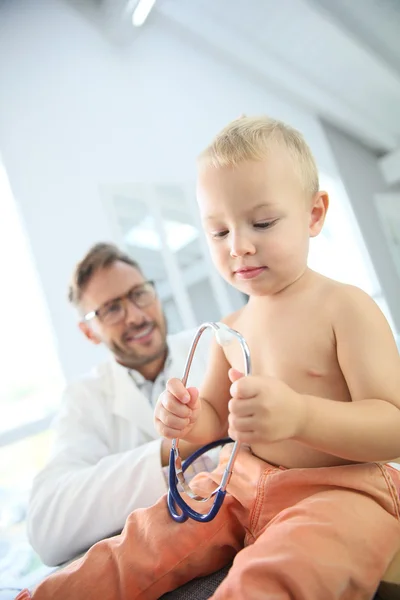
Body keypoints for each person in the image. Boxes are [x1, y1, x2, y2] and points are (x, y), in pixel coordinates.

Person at [17, 115, 400, 600]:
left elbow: (393, 426)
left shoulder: (344, 307)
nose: (239, 246)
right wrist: (186, 418)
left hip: (339, 492)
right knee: (140, 542)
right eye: (218, 232)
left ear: (314, 214)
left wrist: (300, 415)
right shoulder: (232, 328)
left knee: (277, 574)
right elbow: (216, 424)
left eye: (262, 223)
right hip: (242, 485)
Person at [26, 243, 213, 567]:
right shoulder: (85, 398)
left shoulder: (211, 348)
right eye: (111, 309)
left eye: (139, 294)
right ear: (88, 332)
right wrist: (171, 448)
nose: (136, 316)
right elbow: (46, 527)